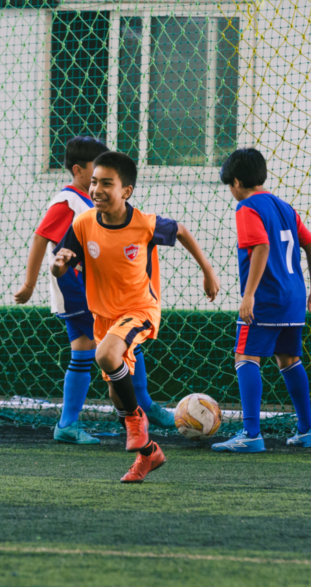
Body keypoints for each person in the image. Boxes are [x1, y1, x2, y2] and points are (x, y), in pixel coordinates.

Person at [51, 151, 221, 482]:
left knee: (104, 355)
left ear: (126, 191)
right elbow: (61, 263)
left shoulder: (144, 223)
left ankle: (135, 421)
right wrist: (59, 266)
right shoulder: (83, 223)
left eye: (107, 184)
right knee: (117, 394)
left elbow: (182, 230)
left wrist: (208, 271)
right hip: (104, 318)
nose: (97, 189)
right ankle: (148, 455)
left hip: (140, 310)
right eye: (94, 182)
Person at [15, 137, 174, 445]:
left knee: (105, 348)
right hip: (77, 293)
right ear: (79, 170)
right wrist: (29, 284)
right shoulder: (67, 202)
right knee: (104, 347)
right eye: (96, 169)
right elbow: (40, 237)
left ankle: (112, 413)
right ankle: (119, 411)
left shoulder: (90, 201)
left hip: (90, 293)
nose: (101, 177)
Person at [212, 147, 311, 453]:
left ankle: (251, 434)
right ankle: (307, 431)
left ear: (237, 182)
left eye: (230, 186)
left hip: (266, 297)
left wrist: (248, 295)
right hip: (294, 297)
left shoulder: (246, 207)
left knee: (245, 357)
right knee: (288, 359)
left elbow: (261, 247)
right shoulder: (284, 207)